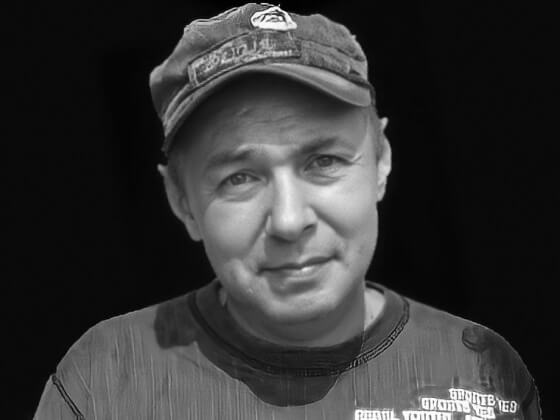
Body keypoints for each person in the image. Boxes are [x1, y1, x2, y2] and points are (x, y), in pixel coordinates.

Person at [34, 3, 541, 419]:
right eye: (239, 178)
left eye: (324, 162)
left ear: (382, 161)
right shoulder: (109, 379)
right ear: (181, 201)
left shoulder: (482, 371)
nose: (290, 220)